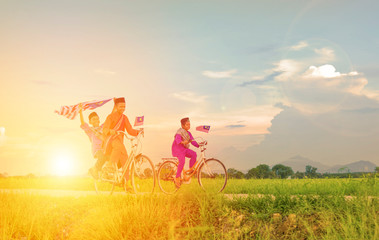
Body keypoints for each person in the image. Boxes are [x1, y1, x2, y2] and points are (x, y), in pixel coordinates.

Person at [102, 97, 142, 190]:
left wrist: (138, 131)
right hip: (111, 140)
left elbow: (130, 130)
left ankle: (126, 185)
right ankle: (110, 165)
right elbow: (104, 129)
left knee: (126, 161)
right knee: (118, 147)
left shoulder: (124, 118)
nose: (123, 108)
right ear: (116, 106)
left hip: (120, 142)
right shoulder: (110, 116)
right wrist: (110, 131)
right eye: (121, 106)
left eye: (124, 106)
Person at [79, 103, 106, 179]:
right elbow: (83, 123)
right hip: (97, 150)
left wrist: (115, 104)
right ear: (90, 122)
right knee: (102, 157)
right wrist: (80, 111)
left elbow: (109, 119)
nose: (96, 120)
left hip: (105, 149)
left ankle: (104, 172)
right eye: (94, 119)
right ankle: (94, 169)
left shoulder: (102, 127)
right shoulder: (90, 130)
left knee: (110, 158)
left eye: (97, 119)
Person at [172, 117, 199, 188]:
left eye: (189, 124)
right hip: (178, 149)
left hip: (184, 149)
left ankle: (190, 170)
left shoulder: (188, 133)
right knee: (182, 161)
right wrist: (183, 142)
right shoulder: (179, 132)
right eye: (187, 125)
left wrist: (200, 144)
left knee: (194, 154)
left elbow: (193, 141)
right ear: (182, 126)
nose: (189, 126)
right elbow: (177, 140)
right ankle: (177, 177)